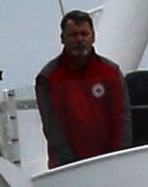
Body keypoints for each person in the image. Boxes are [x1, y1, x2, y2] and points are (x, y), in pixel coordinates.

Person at [36, 9, 131, 167]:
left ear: (93, 37)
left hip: (110, 163)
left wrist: (119, 159)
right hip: (69, 168)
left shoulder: (110, 72)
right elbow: (53, 128)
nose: (79, 39)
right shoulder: (48, 78)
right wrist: (71, 165)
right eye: (73, 35)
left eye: (84, 34)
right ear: (62, 38)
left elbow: (122, 119)